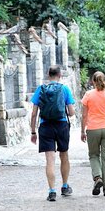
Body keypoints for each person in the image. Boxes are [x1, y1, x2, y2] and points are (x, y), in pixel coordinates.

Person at [30, 65, 76, 202]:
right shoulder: (65, 89)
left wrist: (33, 132)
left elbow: (33, 114)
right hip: (61, 125)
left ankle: (52, 191)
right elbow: (72, 112)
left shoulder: (40, 89)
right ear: (60, 75)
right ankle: (65, 186)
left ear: (48, 75)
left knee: (50, 160)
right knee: (64, 155)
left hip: (45, 126)